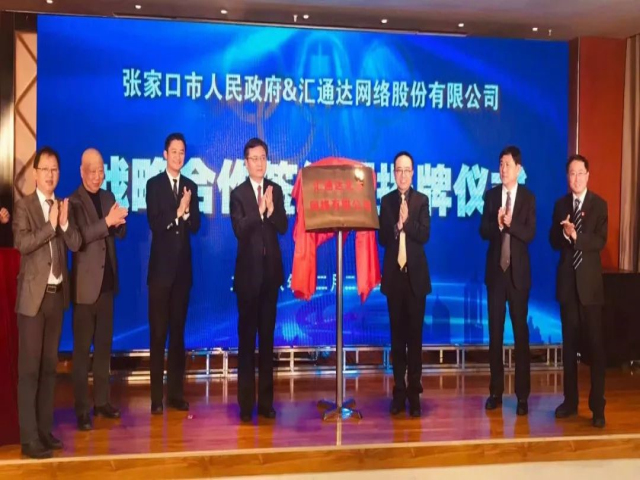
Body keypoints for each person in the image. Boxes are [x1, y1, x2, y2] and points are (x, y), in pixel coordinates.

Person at [13, 146, 81, 459]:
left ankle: (43, 430)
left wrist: (63, 224)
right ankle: (29, 438)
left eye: (54, 169)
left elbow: (75, 244)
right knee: (29, 370)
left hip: (56, 297)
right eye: (45, 169)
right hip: (32, 300)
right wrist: (50, 226)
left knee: (49, 368)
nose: (50, 175)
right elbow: (22, 243)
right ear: (35, 173)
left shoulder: (63, 205)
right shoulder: (24, 206)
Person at [69, 148, 128, 431]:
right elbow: (78, 239)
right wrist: (107, 222)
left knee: (104, 348)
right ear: (82, 172)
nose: (97, 176)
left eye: (100, 171)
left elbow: (119, 232)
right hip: (84, 288)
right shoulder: (73, 202)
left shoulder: (108, 196)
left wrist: (119, 222)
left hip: (107, 286)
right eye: (91, 171)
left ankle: (102, 401)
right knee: (82, 353)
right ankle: (82, 409)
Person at [230, 137, 288, 423]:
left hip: (270, 278)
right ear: (246, 162)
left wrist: (272, 210)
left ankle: (266, 403)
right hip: (247, 279)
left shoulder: (275, 189)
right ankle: (245, 405)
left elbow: (283, 226)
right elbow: (239, 229)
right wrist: (259, 211)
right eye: (254, 158)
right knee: (246, 343)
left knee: (267, 343)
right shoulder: (238, 194)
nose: (259, 163)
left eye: (263, 158)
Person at [550, 154, 607, 428]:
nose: (576, 178)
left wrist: (576, 236)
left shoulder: (599, 205)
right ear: (567, 177)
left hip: (590, 289)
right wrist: (564, 233)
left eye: (580, 173)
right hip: (568, 288)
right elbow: (552, 240)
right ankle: (570, 401)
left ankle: (597, 407)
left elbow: (599, 241)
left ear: (588, 175)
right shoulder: (561, 205)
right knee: (569, 348)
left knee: (595, 349)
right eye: (571, 173)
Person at [146, 133, 201, 414]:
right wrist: (178, 212)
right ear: (165, 154)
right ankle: (156, 398)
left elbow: (196, 226)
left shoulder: (190, 186)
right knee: (158, 335)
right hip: (160, 274)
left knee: (178, 335)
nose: (178, 156)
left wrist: (188, 213)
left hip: (182, 274)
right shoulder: (154, 185)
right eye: (174, 151)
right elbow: (155, 223)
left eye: (182, 152)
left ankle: (176, 395)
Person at [480, 145, 536, 416]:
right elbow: (483, 231)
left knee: (521, 337)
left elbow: (530, 233)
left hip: (518, 276)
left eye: (508, 165)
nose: (503, 169)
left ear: (518, 169)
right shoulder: (491, 196)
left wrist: (511, 224)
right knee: (495, 335)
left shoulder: (528, 198)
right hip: (496, 275)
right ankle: (495, 392)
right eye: (500, 164)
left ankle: (522, 396)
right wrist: (498, 224)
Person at [379, 151, 431, 417]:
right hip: (394, 278)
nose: (402, 175)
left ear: (413, 173)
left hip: (415, 280)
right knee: (397, 340)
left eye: (407, 170)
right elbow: (382, 239)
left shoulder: (421, 200)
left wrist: (407, 223)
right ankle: (398, 392)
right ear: (393, 173)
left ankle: (414, 394)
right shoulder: (386, 201)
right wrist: (397, 225)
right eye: (398, 170)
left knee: (415, 339)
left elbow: (424, 235)